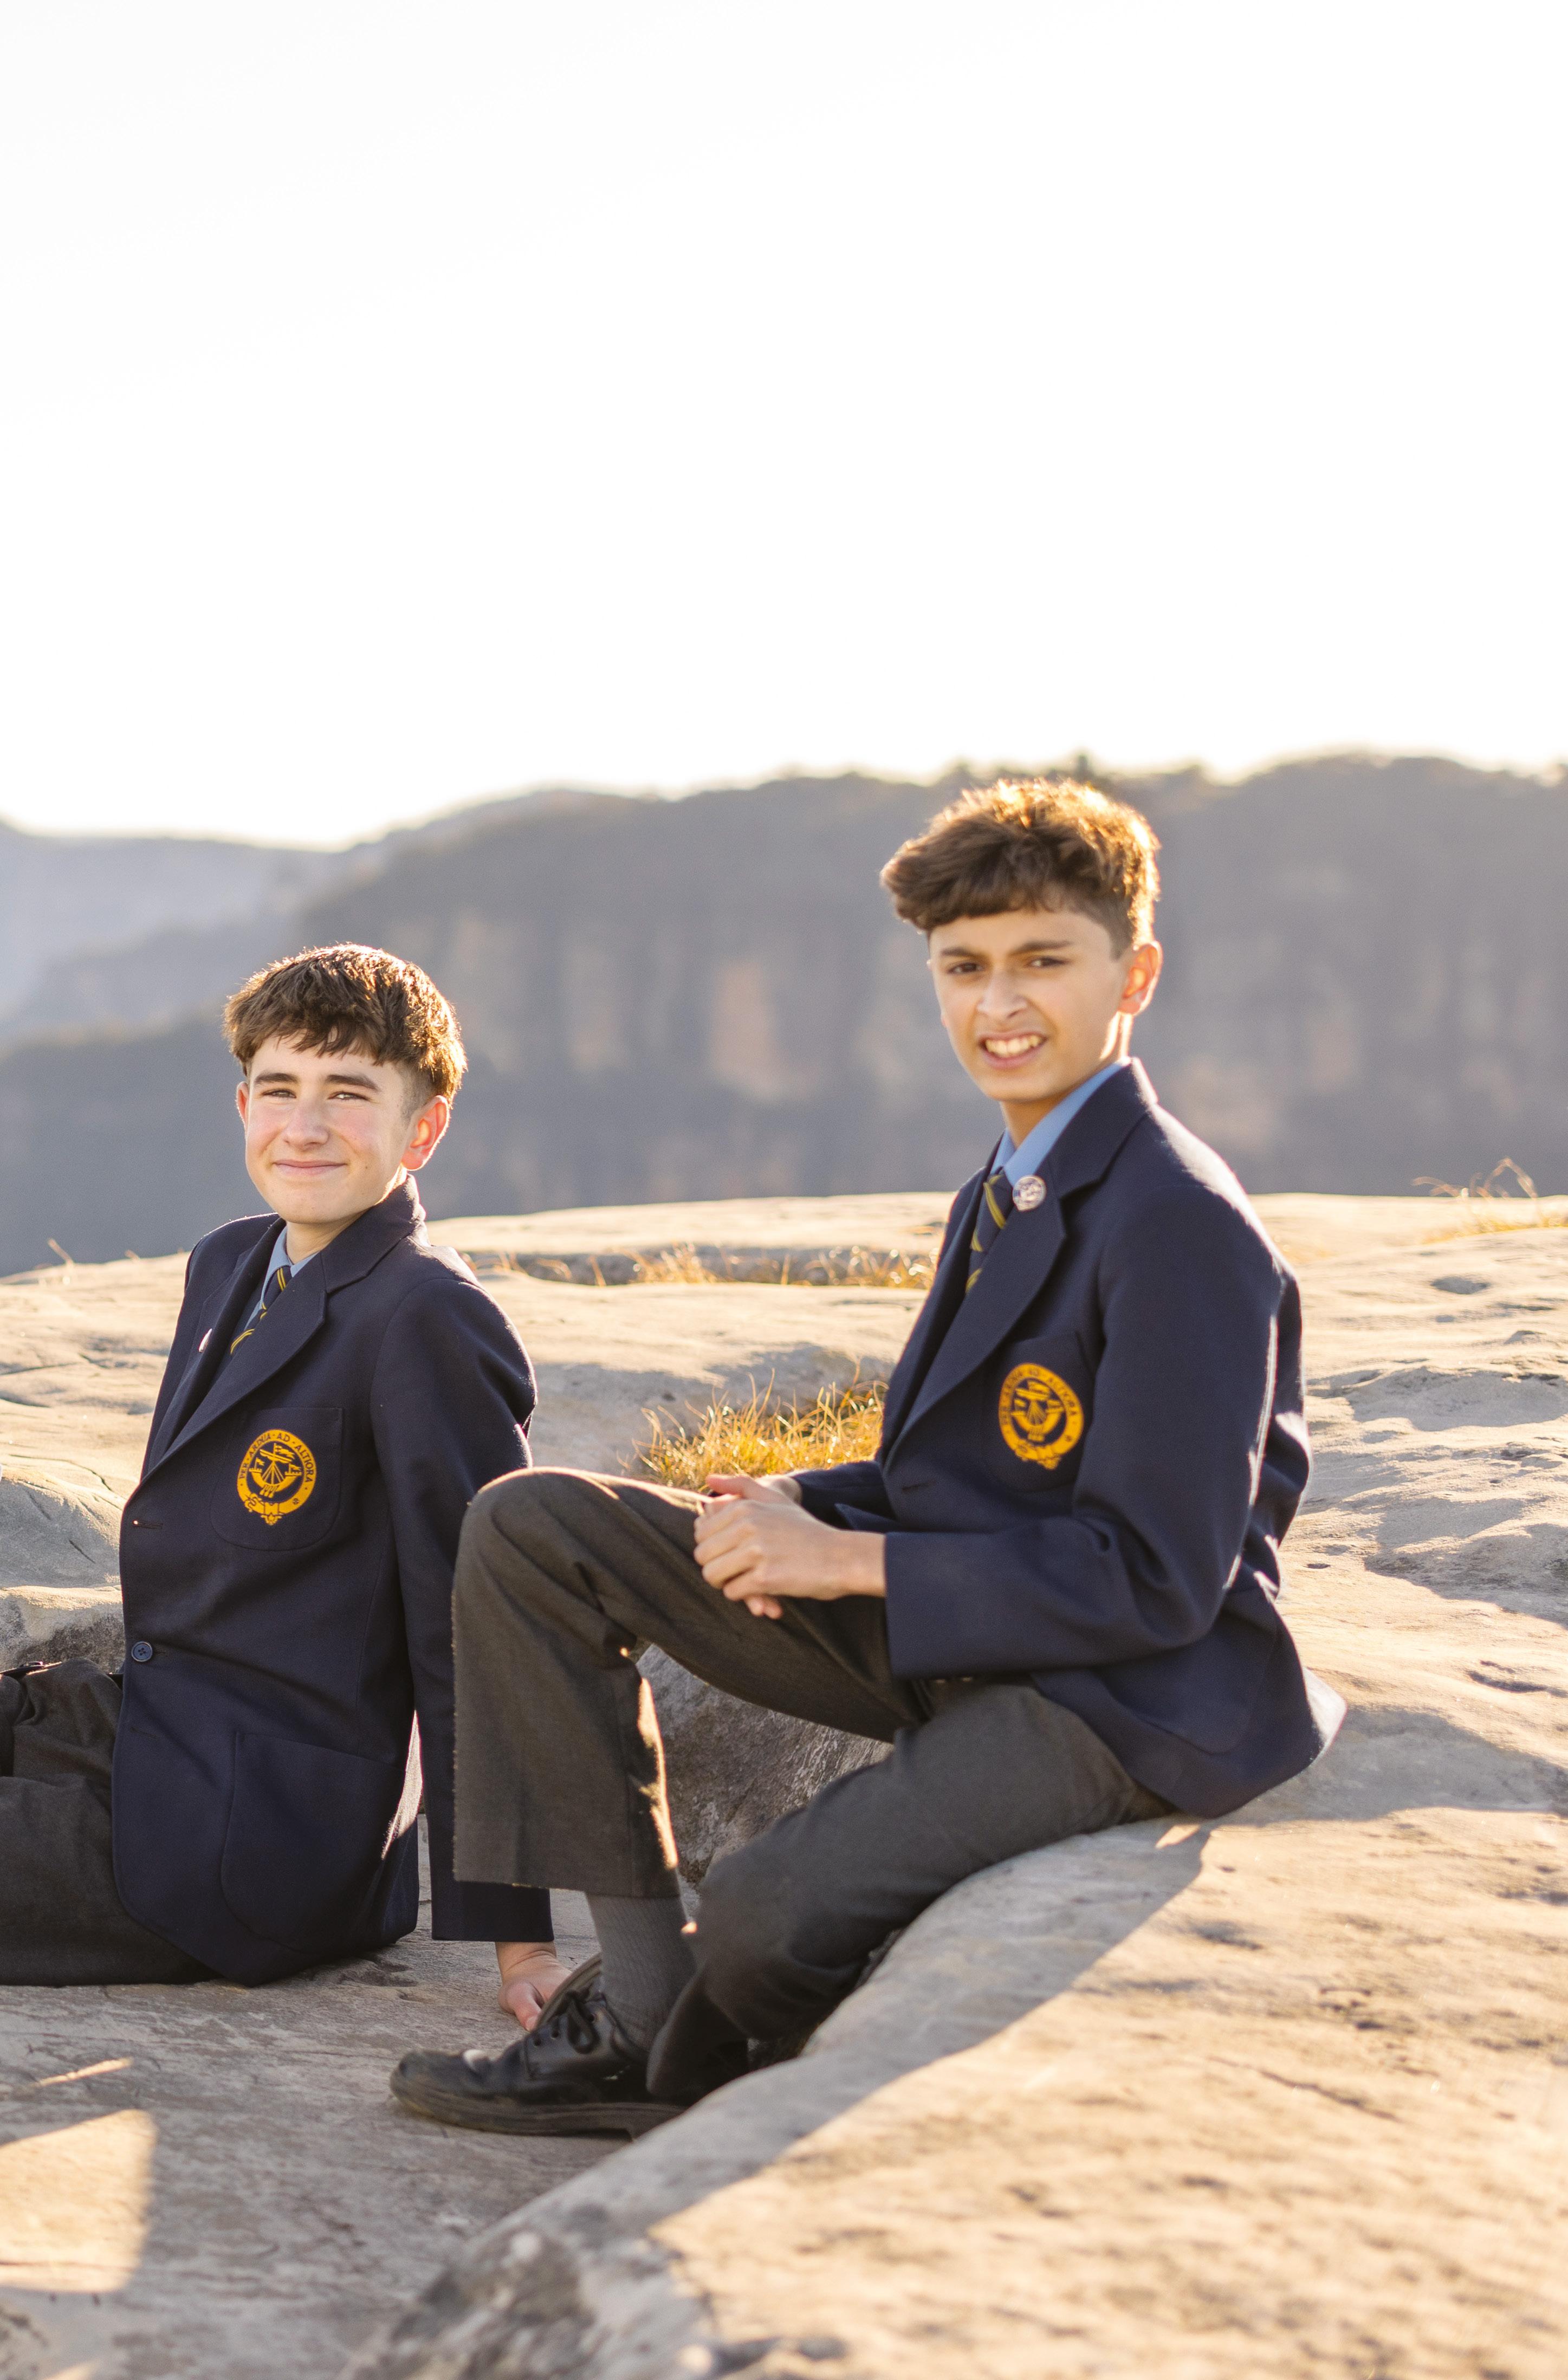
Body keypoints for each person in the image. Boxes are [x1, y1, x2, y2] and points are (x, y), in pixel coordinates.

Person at [389, 780, 1345, 2137]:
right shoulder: (1006, 1184)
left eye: (1040, 961)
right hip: (962, 1624)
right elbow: (943, 1473)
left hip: (1115, 1697)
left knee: (763, 1912)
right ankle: (640, 2010)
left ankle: (684, 2039)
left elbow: (1156, 1582)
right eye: (962, 967)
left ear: (1133, 974)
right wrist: (794, 1502)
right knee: (533, 1528)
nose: (997, 1004)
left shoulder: (1178, 1224)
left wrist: (841, 1562)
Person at [0, 942, 565, 2025]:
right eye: (279, 1089)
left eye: (348, 1094)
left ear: (422, 1129)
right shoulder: (230, 1262)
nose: (304, 1126)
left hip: (250, 1836)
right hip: (150, 1729)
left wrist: (520, 1941)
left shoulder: (426, 1318)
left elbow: (477, 1628)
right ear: (242, 1105)